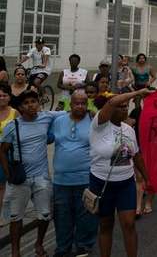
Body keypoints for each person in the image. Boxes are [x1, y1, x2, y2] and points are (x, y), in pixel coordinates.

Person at [0, 90, 66, 257]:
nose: (30, 105)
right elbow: (2, 151)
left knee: (44, 215)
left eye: (33, 101)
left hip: (41, 177)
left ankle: (39, 244)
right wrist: (8, 174)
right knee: (16, 217)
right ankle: (16, 251)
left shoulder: (46, 117)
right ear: (20, 107)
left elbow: (69, 112)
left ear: (38, 103)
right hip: (19, 179)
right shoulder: (12, 126)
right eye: (26, 103)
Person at [89, 89, 152, 257]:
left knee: (129, 224)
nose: (124, 109)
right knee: (106, 224)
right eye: (120, 106)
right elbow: (111, 102)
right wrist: (137, 92)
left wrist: (147, 178)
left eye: (126, 106)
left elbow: (136, 155)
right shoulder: (99, 124)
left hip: (125, 183)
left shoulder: (129, 130)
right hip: (101, 183)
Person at [50, 91, 97, 257]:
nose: (80, 106)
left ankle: (83, 247)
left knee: (85, 216)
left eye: (83, 103)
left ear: (87, 104)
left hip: (85, 179)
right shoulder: (58, 120)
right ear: (70, 104)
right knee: (62, 217)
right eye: (76, 103)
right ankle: (63, 248)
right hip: (61, 181)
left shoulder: (93, 120)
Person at [0, 84, 17, 218]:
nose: (1, 98)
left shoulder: (14, 113)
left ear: (9, 97)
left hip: (8, 154)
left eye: (4, 95)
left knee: (4, 186)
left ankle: (2, 215)